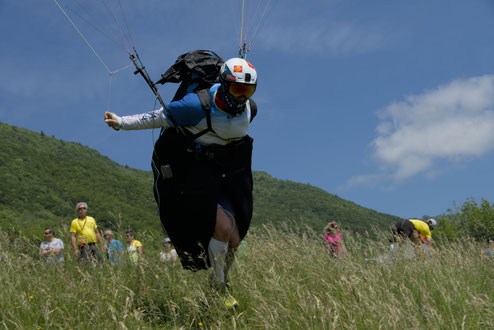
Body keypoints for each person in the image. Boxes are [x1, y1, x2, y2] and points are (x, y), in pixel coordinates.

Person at [104, 56, 258, 308]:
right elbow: (156, 117)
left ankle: (218, 281)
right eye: (238, 90)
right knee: (223, 226)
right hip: (193, 173)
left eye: (248, 91)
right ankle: (220, 290)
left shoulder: (249, 109)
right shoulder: (196, 106)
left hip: (224, 173)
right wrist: (121, 122)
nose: (243, 98)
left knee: (235, 240)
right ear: (224, 84)